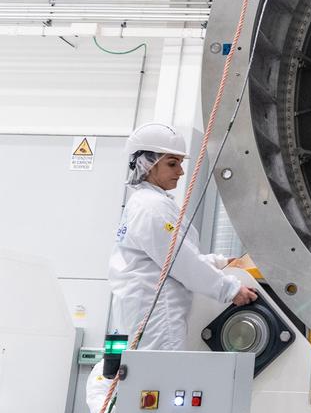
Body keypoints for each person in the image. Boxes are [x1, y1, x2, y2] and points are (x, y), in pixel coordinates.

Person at [109, 122, 256, 351]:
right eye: (172, 163)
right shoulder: (151, 207)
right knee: (158, 381)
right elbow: (180, 261)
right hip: (157, 315)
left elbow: (168, 261)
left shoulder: (146, 203)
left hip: (149, 313)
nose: (180, 171)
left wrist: (219, 262)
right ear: (147, 164)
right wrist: (230, 290)